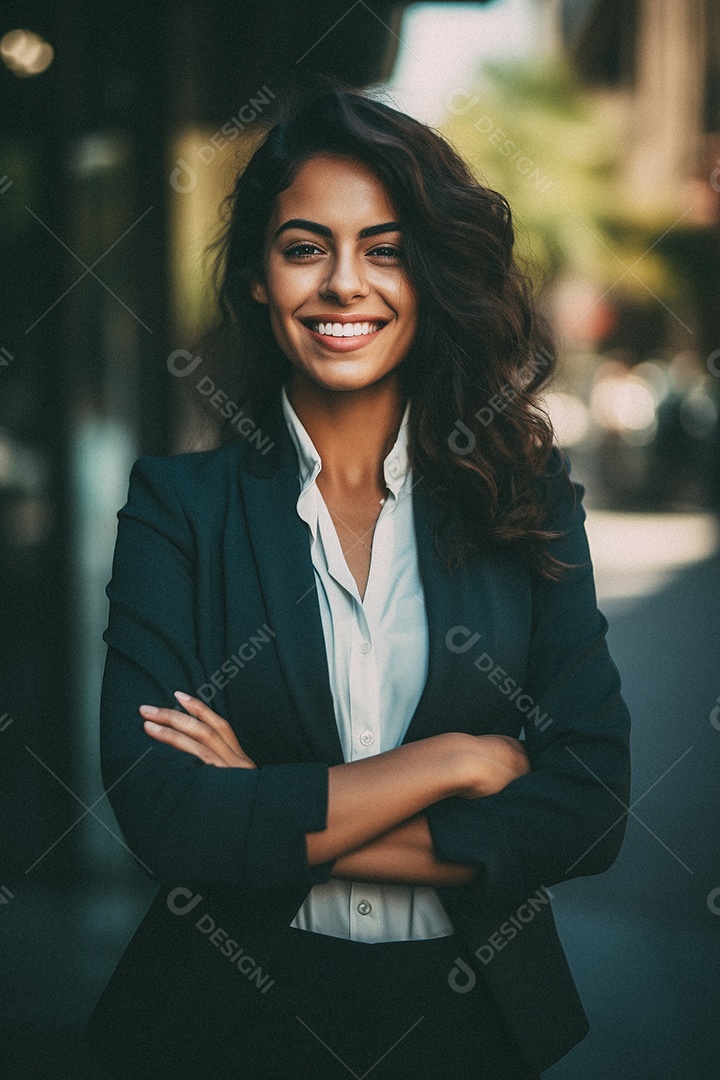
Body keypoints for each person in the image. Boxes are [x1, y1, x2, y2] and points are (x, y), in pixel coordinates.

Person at [86, 78, 631, 1080]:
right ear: (258, 275)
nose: (345, 284)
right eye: (305, 247)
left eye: (384, 249)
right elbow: (162, 812)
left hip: (475, 1023)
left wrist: (267, 808)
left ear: (428, 277)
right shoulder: (179, 509)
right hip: (228, 1020)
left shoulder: (522, 499)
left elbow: (590, 802)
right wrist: (456, 759)